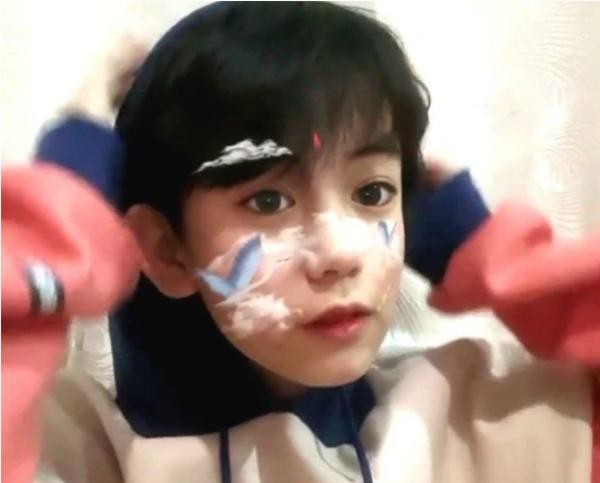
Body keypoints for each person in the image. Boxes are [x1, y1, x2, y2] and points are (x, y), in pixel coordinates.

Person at [3, 3, 599, 482]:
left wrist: (503, 259)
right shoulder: (75, 452)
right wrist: (62, 221)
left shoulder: (489, 418)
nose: (341, 253)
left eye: (371, 193)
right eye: (267, 201)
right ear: (165, 250)